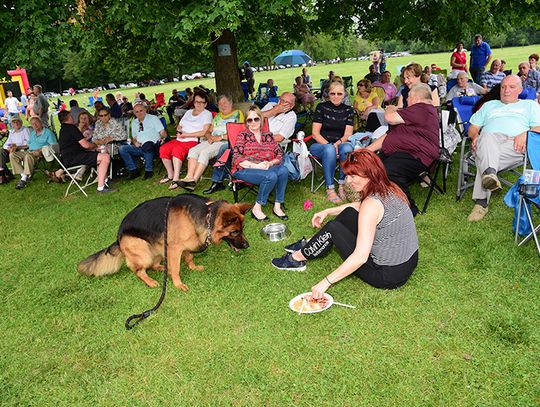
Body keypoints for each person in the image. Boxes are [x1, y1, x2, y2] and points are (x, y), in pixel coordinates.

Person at [271, 149, 418, 293]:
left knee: (334, 228)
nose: (349, 181)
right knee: (349, 214)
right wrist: (328, 211)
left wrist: (325, 283)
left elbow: (360, 257)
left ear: (369, 174)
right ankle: (314, 242)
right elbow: (359, 207)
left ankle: (297, 258)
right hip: (409, 262)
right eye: (348, 175)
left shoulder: (372, 204)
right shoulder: (389, 187)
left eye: (353, 176)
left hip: (387, 275)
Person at [466, 75, 540, 221]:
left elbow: (538, 127)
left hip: (514, 145)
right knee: (486, 135)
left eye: (511, 87)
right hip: (487, 141)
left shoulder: (530, 105)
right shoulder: (489, 105)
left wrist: (526, 133)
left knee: (485, 156)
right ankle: (489, 174)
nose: (506, 90)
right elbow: (473, 128)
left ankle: (481, 201)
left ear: (520, 90)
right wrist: (475, 137)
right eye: (503, 87)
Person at [367, 83, 440, 216]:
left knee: (389, 170)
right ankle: (379, 203)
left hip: (417, 154)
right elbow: (389, 136)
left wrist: (389, 108)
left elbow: (389, 117)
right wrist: (367, 150)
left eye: (408, 97)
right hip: (400, 153)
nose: (406, 100)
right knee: (372, 166)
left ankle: (409, 208)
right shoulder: (412, 113)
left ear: (416, 98)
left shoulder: (423, 108)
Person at [203, 92, 297, 195]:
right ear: (279, 99)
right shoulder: (270, 105)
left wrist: (260, 138)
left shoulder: (291, 117)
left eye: (287, 103)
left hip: (267, 145)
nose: (283, 103)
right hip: (248, 139)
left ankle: (242, 177)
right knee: (225, 147)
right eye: (282, 100)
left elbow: (280, 137)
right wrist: (275, 110)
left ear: (292, 106)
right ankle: (217, 182)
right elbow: (256, 117)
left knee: (230, 149)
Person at [171, 93, 239, 191]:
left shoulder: (237, 114)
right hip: (212, 140)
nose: (222, 106)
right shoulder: (218, 116)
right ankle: (188, 177)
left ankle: (193, 181)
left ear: (231, 103)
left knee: (204, 153)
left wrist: (219, 137)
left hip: (225, 142)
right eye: (220, 104)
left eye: (225, 103)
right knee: (193, 151)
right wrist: (209, 137)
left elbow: (237, 132)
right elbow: (208, 131)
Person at [232, 106, 289, 221]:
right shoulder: (242, 136)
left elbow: (279, 154)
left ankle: (277, 206)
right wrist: (256, 166)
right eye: (250, 120)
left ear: (261, 119)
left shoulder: (268, 136)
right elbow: (236, 157)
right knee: (271, 176)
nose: (253, 122)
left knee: (283, 171)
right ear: (246, 122)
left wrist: (270, 163)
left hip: (265, 167)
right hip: (244, 169)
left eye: (256, 119)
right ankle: (257, 208)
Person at [310, 81, 354, 204]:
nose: (335, 96)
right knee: (329, 150)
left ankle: (341, 184)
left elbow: (348, 134)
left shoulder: (348, 110)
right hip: (319, 145)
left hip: (340, 143)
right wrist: (330, 146)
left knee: (347, 149)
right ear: (328, 94)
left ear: (344, 94)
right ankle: (330, 189)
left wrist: (336, 144)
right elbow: (315, 133)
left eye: (339, 93)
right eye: (332, 93)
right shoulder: (321, 107)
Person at [161, 90, 212, 190]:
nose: (199, 104)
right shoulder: (188, 112)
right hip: (181, 138)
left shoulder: (207, 114)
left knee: (177, 151)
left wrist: (187, 135)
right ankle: (170, 174)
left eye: (202, 102)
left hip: (193, 140)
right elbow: (179, 126)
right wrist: (179, 131)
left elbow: (203, 132)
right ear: (193, 102)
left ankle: (175, 179)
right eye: (197, 102)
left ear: (205, 104)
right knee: (164, 149)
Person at [57, 110, 114, 193]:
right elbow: (86, 145)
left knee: (100, 155)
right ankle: (101, 188)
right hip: (74, 158)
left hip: (68, 158)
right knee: (105, 157)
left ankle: (105, 181)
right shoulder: (71, 128)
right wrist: (95, 144)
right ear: (69, 117)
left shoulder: (63, 129)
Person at [119, 103, 167, 180]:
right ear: (134, 113)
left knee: (147, 145)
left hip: (153, 146)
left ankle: (149, 170)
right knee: (122, 148)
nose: (139, 113)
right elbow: (134, 137)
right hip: (140, 147)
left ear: (145, 110)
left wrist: (163, 138)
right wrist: (135, 142)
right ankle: (134, 171)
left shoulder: (153, 118)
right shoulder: (134, 122)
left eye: (141, 111)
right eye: (136, 112)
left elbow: (162, 132)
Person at [10, 116, 56, 189]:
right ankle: (24, 175)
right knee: (13, 155)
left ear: (40, 123)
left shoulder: (48, 133)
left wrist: (40, 150)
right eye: (33, 124)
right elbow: (28, 145)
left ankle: (23, 180)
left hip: (40, 153)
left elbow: (54, 146)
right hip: (29, 151)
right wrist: (17, 147)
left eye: (36, 123)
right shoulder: (32, 133)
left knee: (28, 156)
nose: (35, 125)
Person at [1, 116, 30, 186]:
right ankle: (3, 174)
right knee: (1, 152)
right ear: (12, 124)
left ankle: (23, 176)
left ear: (21, 122)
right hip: (12, 151)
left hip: (22, 150)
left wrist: (17, 147)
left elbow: (29, 143)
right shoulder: (12, 132)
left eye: (17, 121)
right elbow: (5, 144)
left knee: (11, 154)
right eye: (14, 122)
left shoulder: (25, 130)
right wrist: (8, 148)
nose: (16, 123)